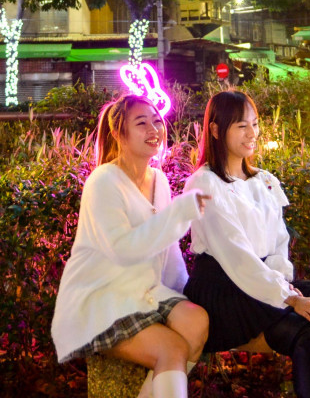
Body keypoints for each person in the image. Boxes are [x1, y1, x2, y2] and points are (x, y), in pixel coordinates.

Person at [183, 90, 310, 398]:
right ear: (216, 130)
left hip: (260, 282)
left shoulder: (264, 181)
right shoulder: (205, 183)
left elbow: (278, 243)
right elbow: (237, 257)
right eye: (241, 126)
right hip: (223, 292)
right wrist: (288, 298)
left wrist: (285, 285)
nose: (252, 134)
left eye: (255, 124)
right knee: (309, 329)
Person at [52, 94, 211, 398]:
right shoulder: (103, 181)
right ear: (118, 133)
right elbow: (123, 249)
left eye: (156, 121)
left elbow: (168, 250)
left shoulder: (160, 180)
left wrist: (184, 291)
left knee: (196, 321)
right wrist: (180, 212)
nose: (154, 129)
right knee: (173, 348)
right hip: (103, 295)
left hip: (146, 291)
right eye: (141, 123)